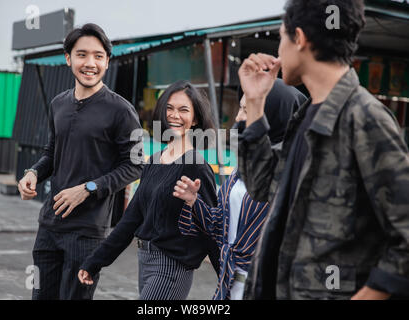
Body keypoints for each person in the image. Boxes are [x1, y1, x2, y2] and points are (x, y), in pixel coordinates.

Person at [238, 0, 409, 300]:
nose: (278, 51)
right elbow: (262, 185)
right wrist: (254, 102)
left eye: (281, 37)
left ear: (300, 39)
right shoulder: (304, 116)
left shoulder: (365, 119)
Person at [17, 23, 144, 300]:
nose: (90, 63)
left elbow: (135, 165)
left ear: (107, 62)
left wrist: (88, 188)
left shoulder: (122, 111)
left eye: (98, 56)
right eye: (82, 54)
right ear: (68, 58)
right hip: (49, 227)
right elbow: (52, 152)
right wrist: (33, 173)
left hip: (87, 233)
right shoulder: (58, 104)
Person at [78, 80, 220, 300]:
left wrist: (227, 278)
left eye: (183, 110)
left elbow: (213, 225)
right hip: (144, 260)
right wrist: (95, 261)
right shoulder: (154, 161)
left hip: (173, 267)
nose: (174, 115)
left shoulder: (196, 166)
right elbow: (131, 220)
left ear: (195, 120)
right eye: (170, 108)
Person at [173, 79, 305, 300]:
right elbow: (221, 224)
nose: (238, 117)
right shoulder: (242, 168)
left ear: (271, 115)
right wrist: (194, 201)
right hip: (229, 285)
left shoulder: (293, 172)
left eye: (246, 109)